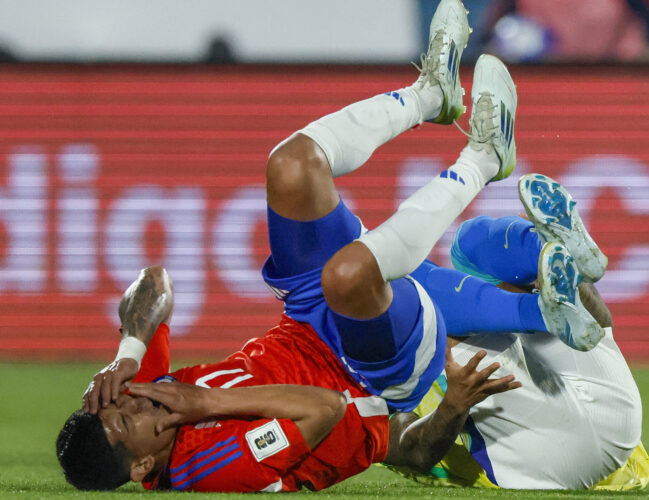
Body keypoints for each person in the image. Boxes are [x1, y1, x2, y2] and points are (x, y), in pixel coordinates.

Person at [56, 0, 604, 492]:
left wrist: (127, 356)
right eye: (129, 421)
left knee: (290, 165)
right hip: (370, 375)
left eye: (120, 406)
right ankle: (485, 158)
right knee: (347, 275)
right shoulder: (208, 467)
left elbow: (153, 283)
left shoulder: (144, 395)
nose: (136, 404)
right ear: (142, 467)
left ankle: (430, 95)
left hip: (304, 318)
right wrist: (207, 402)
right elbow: (323, 408)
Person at [384, 173, 649, 491]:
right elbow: (415, 452)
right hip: (582, 444)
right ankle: (546, 253)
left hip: (569, 444)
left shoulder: (347, 360)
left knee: (463, 247)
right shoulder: (342, 397)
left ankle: (544, 258)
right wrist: (454, 404)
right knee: (392, 277)